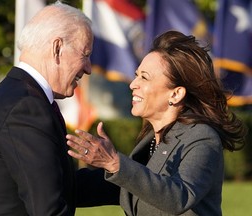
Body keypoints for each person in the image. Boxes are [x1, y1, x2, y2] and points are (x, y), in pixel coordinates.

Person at [66, 30, 247, 215]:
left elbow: (179, 197)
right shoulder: (152, 140)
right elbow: (127, 186)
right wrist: (48, 182)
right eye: (137, 75)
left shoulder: (201, 137)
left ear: (175, 94)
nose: (133, 84)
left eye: (144, 77)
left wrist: (115, 163)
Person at [0, 1, 94, 215]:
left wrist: (125, 173)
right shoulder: (25, 107)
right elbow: (49, 208)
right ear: (57, 48)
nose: (88, 68)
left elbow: (58, 184)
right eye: (85, 54)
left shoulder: (21, 96)